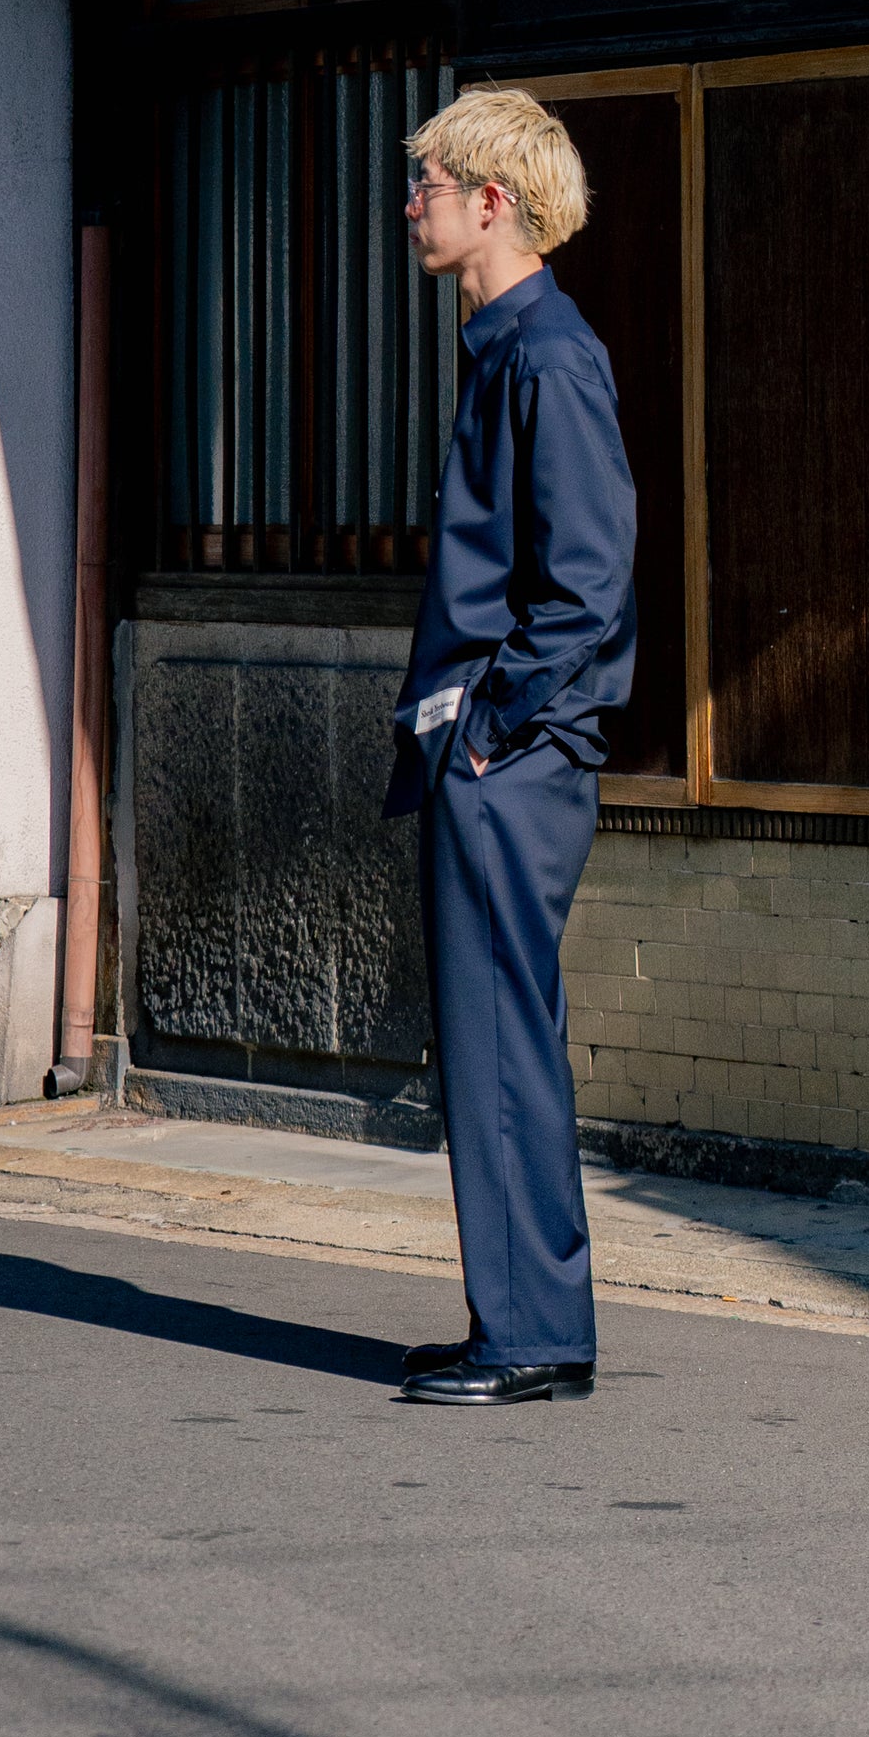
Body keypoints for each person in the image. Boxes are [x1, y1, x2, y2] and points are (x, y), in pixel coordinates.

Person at [383, 85, 637, 1406]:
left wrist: (488, 728)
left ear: (492, 202)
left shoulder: (545, 356)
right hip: (503, 750)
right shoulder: (507, 347)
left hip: (512, 756)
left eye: (426, 184)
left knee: (497, 1039)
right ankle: (524, 1319)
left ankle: (531, 1334)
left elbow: (586, 584)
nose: (408, 204)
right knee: (494, 1037)